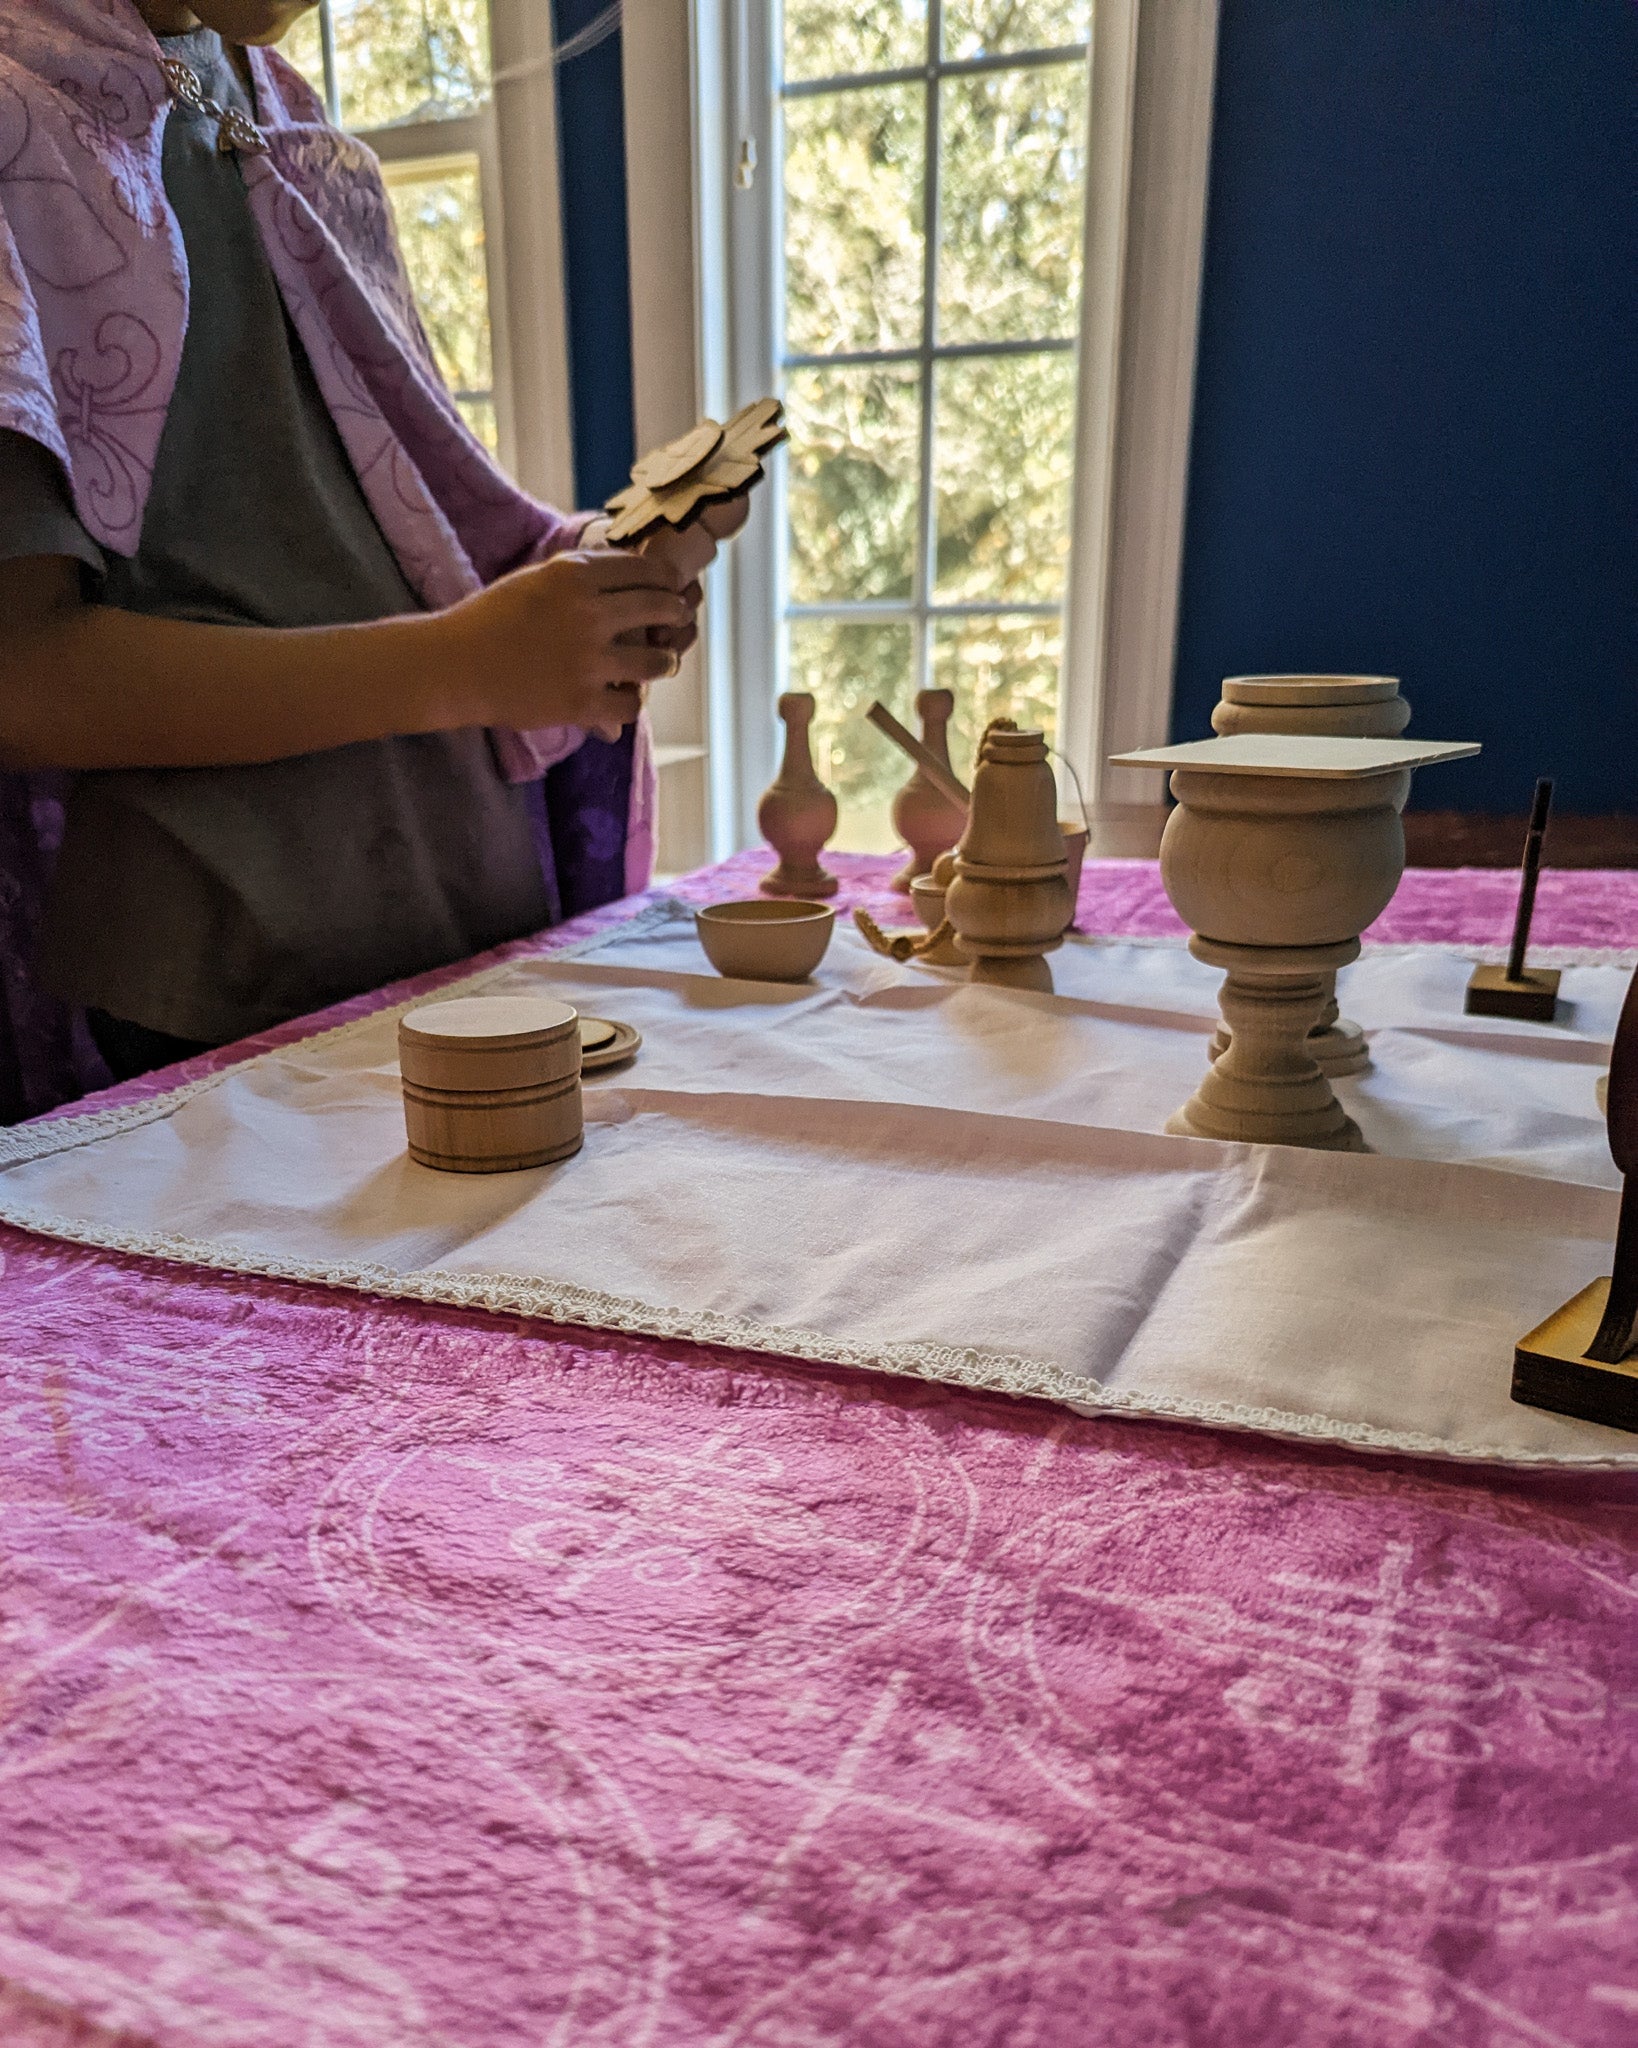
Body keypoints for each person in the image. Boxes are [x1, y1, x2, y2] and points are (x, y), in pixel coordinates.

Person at [0, 0, 743, 1090]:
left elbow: (370, 529)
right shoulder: (22, 122)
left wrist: (567, 598)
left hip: (450, 910)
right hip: (215, 985)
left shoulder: (275, 108)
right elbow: (24, 676)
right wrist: (465, 664)